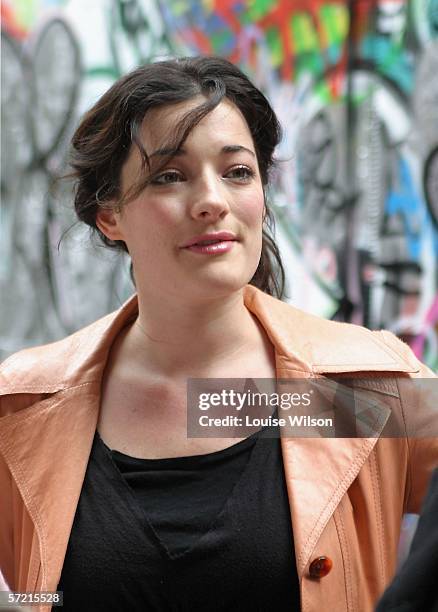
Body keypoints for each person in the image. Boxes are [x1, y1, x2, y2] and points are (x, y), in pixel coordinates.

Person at [0, 56, 436, 612]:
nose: (212, 200)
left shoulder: (351, 387)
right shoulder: (26, 405)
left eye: (237, 172)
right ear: (110, 215)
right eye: (169, 176)